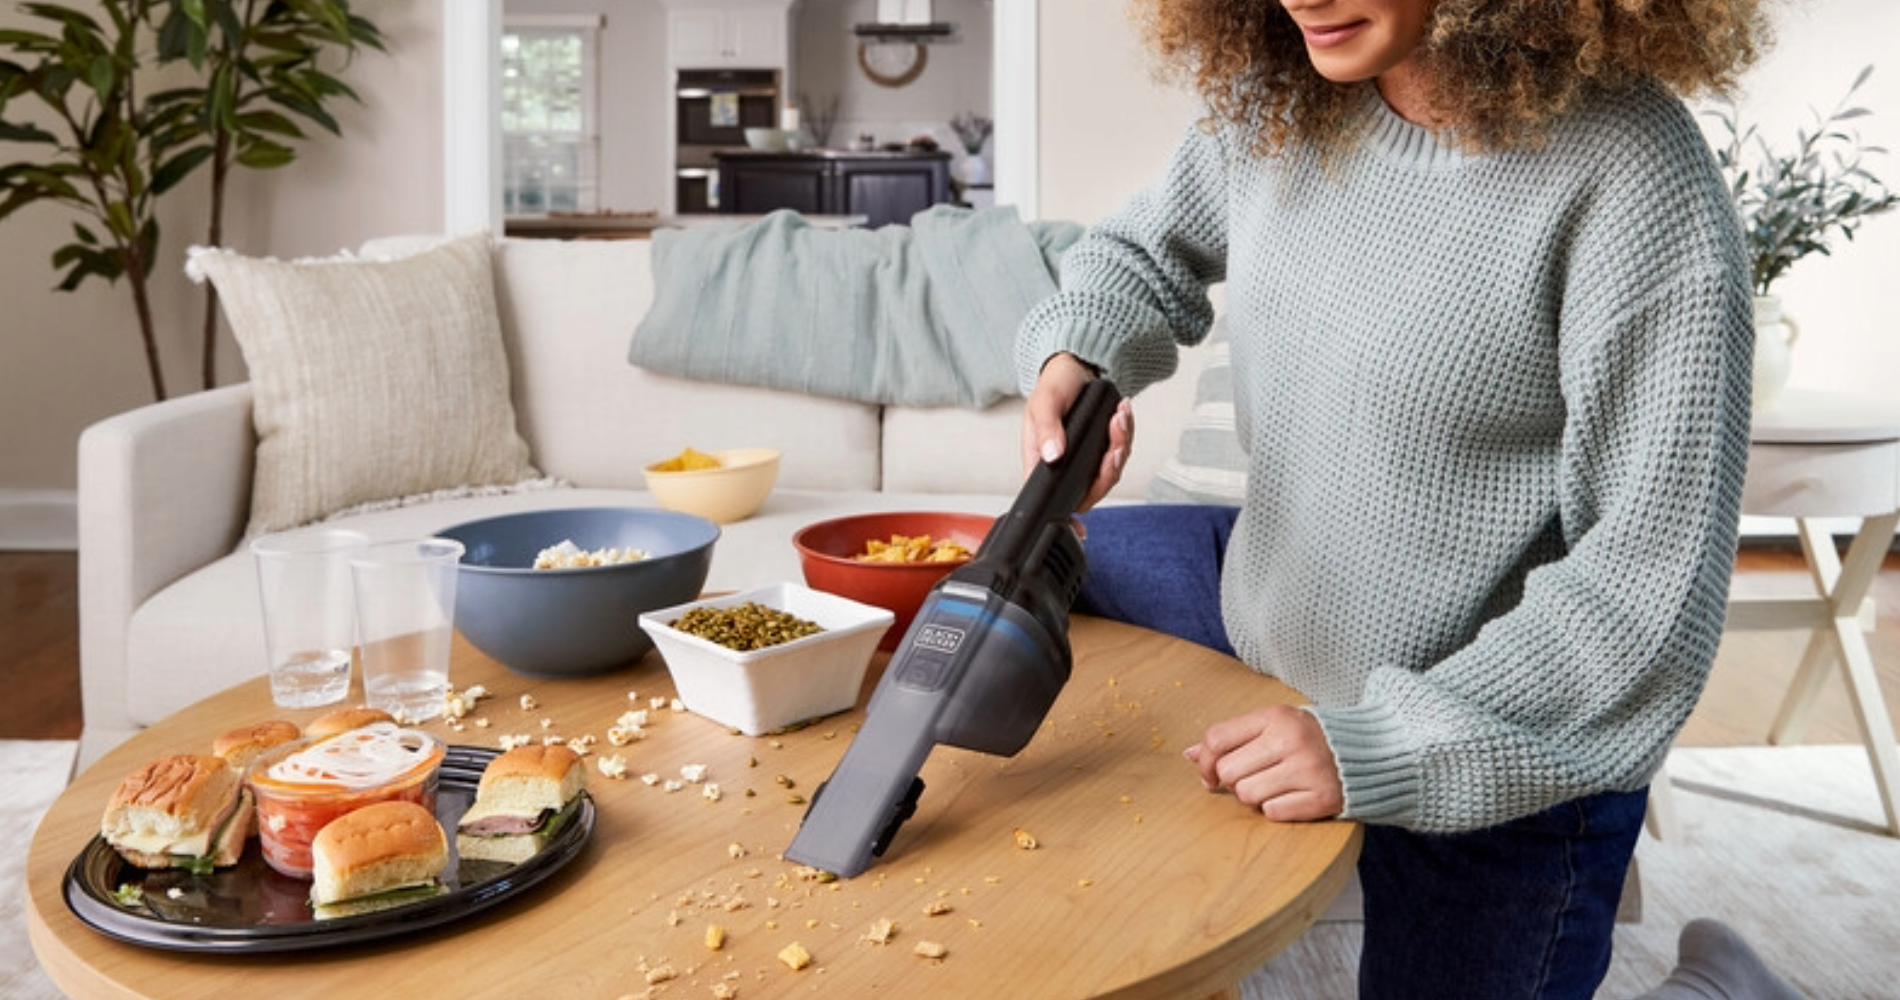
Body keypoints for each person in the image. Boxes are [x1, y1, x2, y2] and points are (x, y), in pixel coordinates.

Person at [1015, 1, 1769, 998]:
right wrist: (1081, 348)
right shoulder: (1275, 97)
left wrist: (1376, 746)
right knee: (1008, 568)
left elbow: (1643, 602)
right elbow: (1140, 253)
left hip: (1497, 728)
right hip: (1277, 603)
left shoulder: (1631, 172)